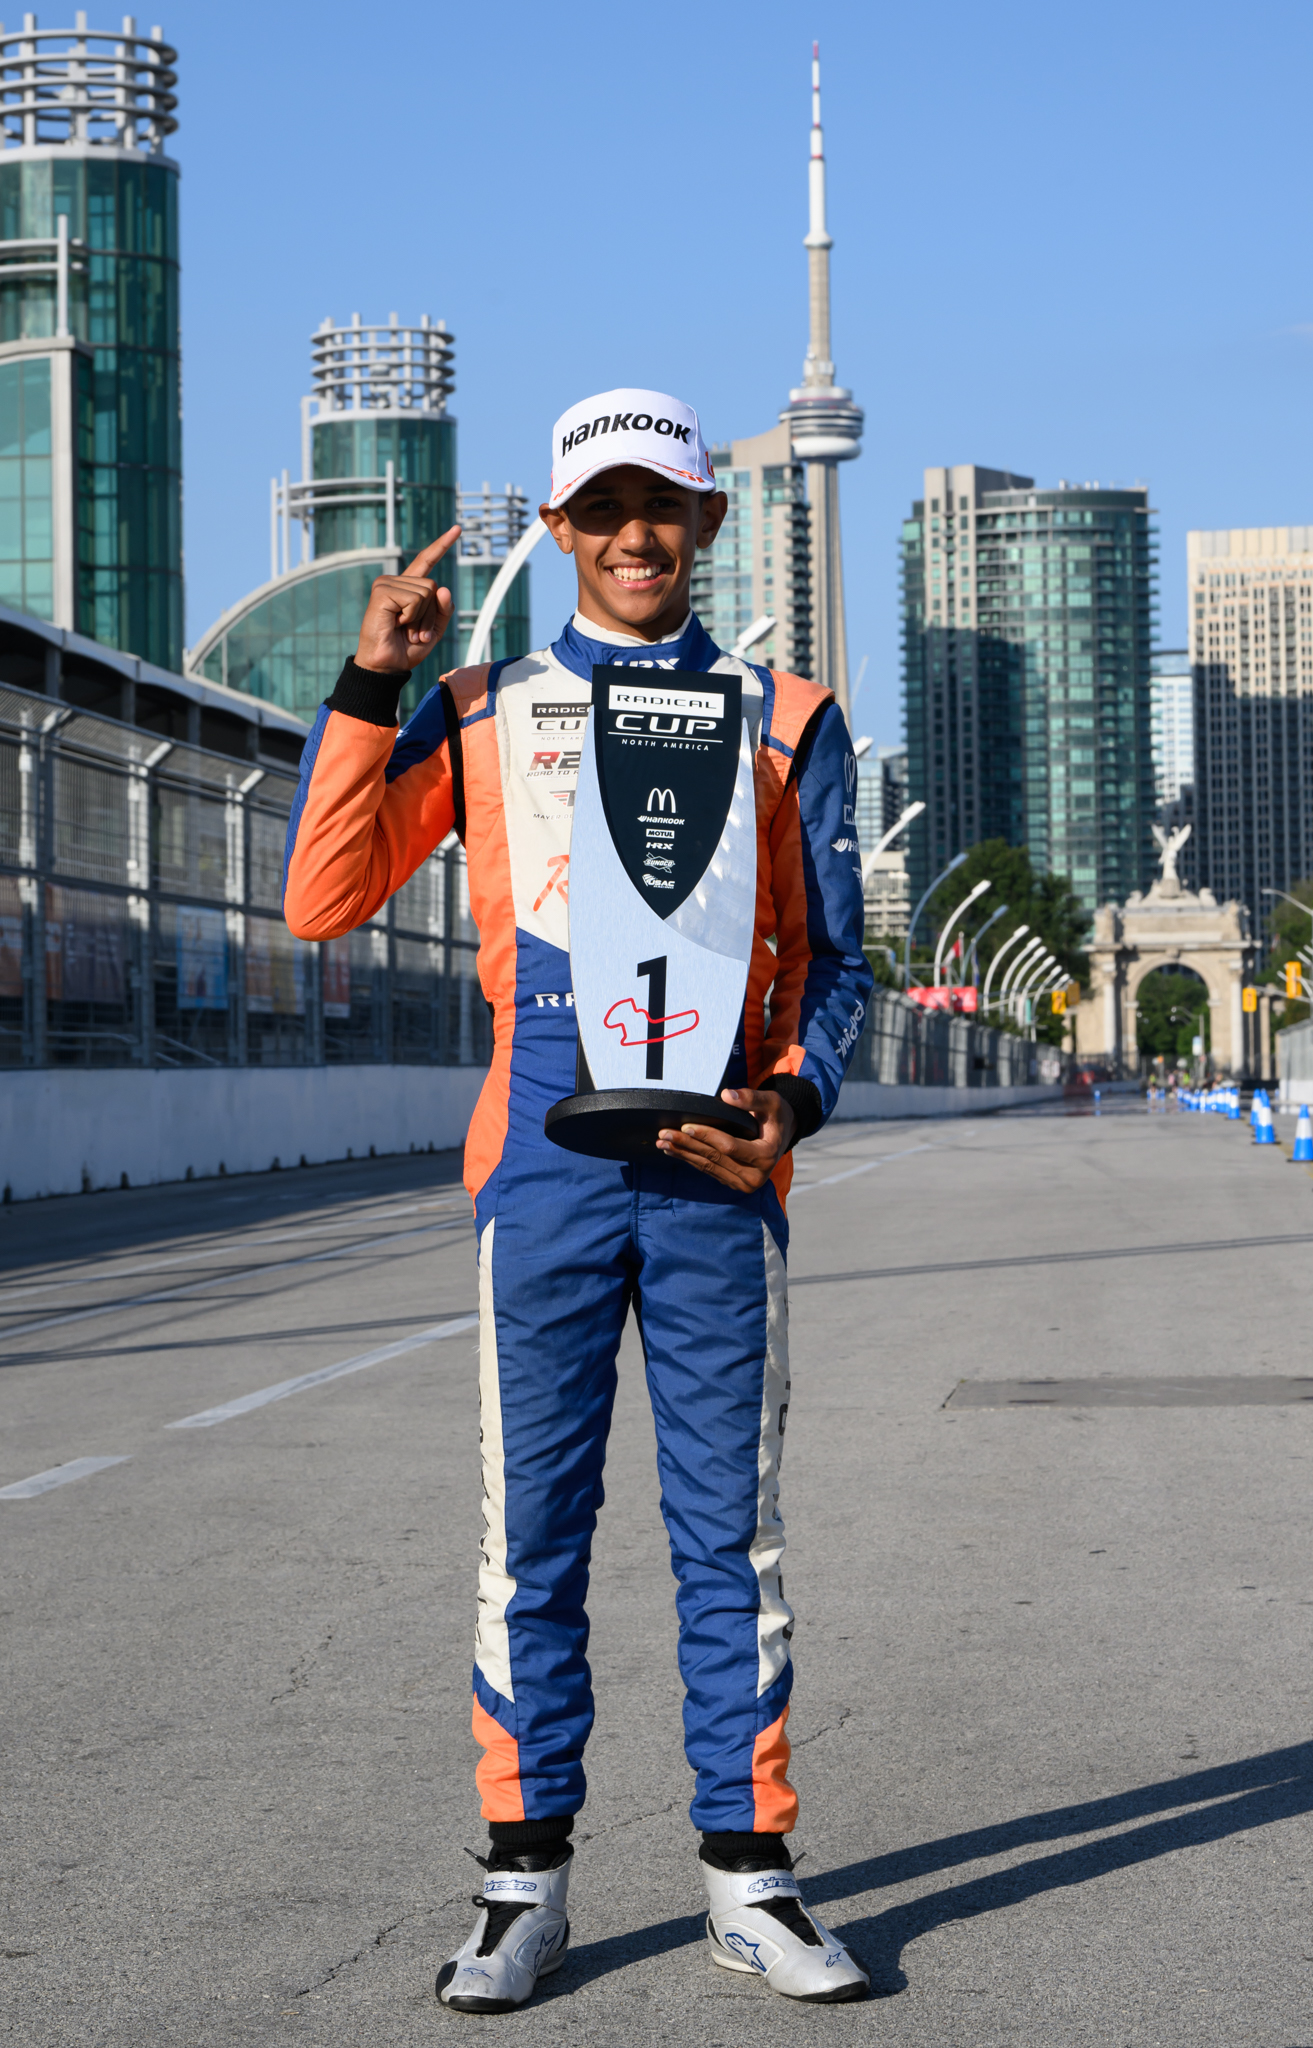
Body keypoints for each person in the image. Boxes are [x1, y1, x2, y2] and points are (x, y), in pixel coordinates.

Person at [282, 389, 872, 2011]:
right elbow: (324, 894)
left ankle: (749, 1882)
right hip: (538, 1166)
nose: (632, 535)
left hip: (711, 1172)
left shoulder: (789, 712)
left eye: (662, 507)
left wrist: (791, 1102)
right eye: (599, 509)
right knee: (527, 1537)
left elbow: (839, 972)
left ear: (707, 524)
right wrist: (372, 678)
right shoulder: (482, 704)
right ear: (555, 532)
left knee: (726, 1542)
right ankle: (519, 1883)